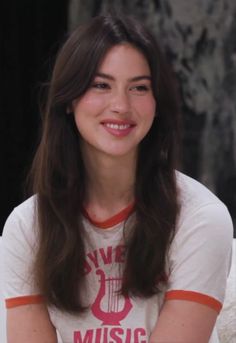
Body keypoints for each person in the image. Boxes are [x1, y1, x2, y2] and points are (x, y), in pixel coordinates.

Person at [2, 14, 233, 343]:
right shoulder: (28, 226)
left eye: (139, 87)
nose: (121, 105)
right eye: (101, 85)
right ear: (69, 99)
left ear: (157, 103)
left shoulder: (200, 218)